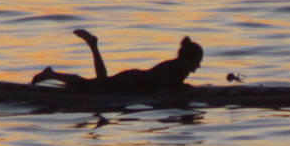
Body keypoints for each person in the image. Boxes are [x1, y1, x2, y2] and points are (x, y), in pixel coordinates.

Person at [31, 29, 203, 93]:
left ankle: (92, 46)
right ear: (189, 58)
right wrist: (188, 89)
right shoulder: (178, 67)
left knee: (98, 83)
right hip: (132, 82)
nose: (199, 65)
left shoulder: (177, 66)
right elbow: (167, 85)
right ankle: (53, 73)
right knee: (91, 86)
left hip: (133, 79)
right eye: (198, 60)